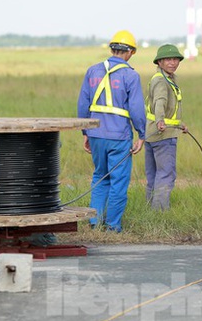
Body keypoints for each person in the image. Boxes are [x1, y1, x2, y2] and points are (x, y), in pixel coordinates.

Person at [77, 30, 146, 232]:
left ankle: (94, 222)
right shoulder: (131, 75)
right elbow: (136, 109)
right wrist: (141, 134)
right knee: (118, 181)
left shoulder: (92, 71)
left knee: (100, 176)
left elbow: (83, 104)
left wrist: (85, 132)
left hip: (96, 133)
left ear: (112, 49)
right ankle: (113, 226)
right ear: (130, 52)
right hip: (119, 137)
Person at [144, 44, 188, 210]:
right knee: (165, 175)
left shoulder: (162, 78)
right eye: (168, 59)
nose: (173, 62)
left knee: (153, 175)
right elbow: (160, 102)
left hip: (151, 133)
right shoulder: (162, 81)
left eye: (176, 59)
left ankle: (150, 209)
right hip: (163, 135)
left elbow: (169, 108)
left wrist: (180, 125)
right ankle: (160, 212)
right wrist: (160, 120)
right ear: (159, 62)